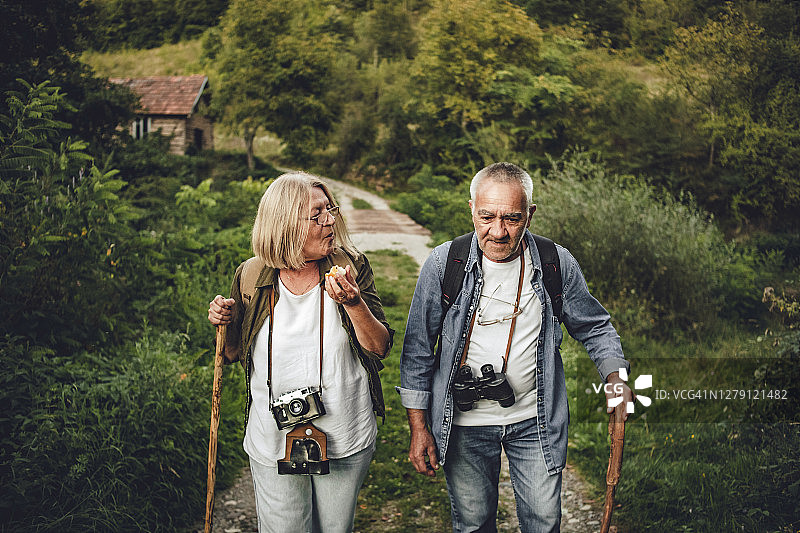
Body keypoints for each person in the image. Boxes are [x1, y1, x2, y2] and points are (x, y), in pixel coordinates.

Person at [398, 162, 633, 533]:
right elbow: (417, 349)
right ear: (471, 209)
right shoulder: (445, 264)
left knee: (542, 522)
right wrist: (419, 426)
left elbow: (596, 327)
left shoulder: (556, 263)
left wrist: (616, 379)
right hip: (463, 424)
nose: (498, 231)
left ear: (530, 215)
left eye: (512, 218)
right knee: (474, 524)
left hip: (534, 421)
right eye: (486, 216)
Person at [208, 172, 393, 533]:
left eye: (330, 209)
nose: (330, 220)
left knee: (334, 528)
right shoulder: (251, 275)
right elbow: (231, 353)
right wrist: (225, 321)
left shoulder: (350, 266)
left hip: (344, 432)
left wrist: (354, 304)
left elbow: (379, 347)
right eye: (317, 214)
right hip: (273, 436)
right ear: (285, 225)